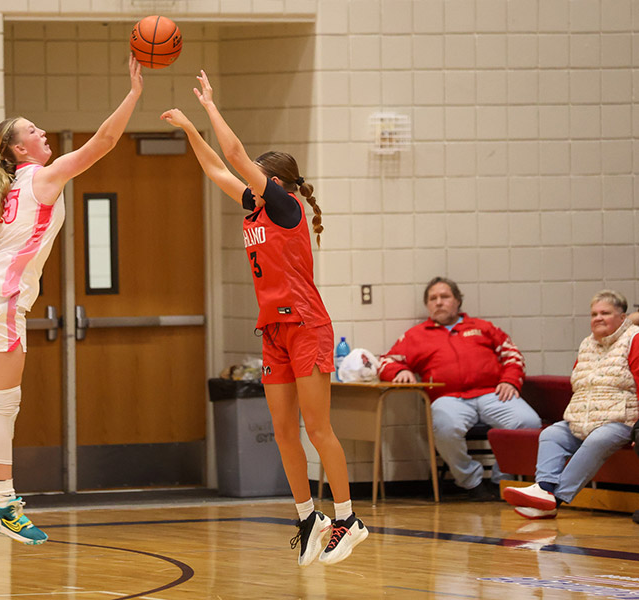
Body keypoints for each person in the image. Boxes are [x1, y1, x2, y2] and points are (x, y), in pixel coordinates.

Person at [160, 70, 367, 567]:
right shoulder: (253, 207)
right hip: (274, 328)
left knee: (317, 427)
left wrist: (210, 108)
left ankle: (347, 518)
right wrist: (190, 131)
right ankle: (308, 517)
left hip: (308, 326)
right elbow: (217, 170)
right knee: (282, 430)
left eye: (254, 172)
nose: (245, 177)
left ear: (273, 181)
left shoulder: (286, 206)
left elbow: (231, 156)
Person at [0, 56, 144, 544]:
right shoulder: (41, 177)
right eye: (33, 130)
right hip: (3, 299)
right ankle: (6, 504)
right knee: (5, 404)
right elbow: (106, 142)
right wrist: (134, 94)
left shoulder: (14, 185)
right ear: (17, 147)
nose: (43, 133)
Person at [378, 276, 541, 500]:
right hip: (448, 397)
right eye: (433, 298)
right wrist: (399, 371)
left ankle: (502, 480)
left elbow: (512, 355)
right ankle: (471, 481)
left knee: (529, 422)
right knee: (445, 427)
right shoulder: (416, 335)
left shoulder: (483, 327)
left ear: (457, 301)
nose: (439, 302)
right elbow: (386, 361)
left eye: (445, 297)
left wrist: (509, 380)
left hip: (492, 393)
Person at [503, 290, 639, 519]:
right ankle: (543, 489)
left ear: (623, 317)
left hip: (621, 419)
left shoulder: (635, 338)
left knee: (598, 439)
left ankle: (555, 499)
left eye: (605, 313)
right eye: (594, 313)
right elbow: (580, 385)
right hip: (584, 418)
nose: (598, 318)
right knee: (552, 434)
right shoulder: (587, 344)